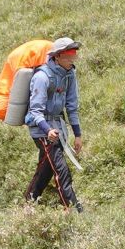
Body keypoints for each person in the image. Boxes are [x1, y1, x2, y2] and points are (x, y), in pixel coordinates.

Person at [23, 38, 86, 211]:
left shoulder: (69, 74)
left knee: (46, 169)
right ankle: (74, 210)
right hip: (41, 130)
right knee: (61, 170)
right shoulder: (42, 77)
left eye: (74, 56)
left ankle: (28, 203)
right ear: (57, 56)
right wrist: (47, 130)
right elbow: (35, 111)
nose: (72, 60)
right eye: (68, 57)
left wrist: (77, 134)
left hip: (58, 128)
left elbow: (72, 106)